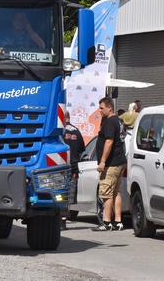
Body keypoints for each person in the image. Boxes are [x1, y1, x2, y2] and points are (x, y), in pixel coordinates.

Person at [92, 96, 127, 232]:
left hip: (111, 163)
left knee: (106, 192)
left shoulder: (110, 122)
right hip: (120, 161)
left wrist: (102, 161)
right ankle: (118, 221)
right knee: (116, 192)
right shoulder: (118, 121)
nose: (99, 111)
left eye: (101, 108)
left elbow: (109, 141)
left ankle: (107, 222)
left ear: (109, 107)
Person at [61, 111, 85, 230]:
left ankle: (59, 218)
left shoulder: (60, 130)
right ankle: (64, 220)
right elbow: (81, 149)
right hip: (74, 166)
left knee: (60, 190)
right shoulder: (77, 131)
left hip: (60, 165)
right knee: (69, 192)